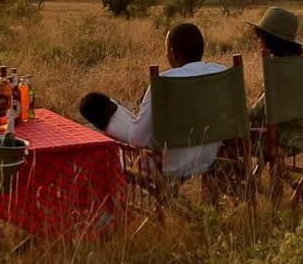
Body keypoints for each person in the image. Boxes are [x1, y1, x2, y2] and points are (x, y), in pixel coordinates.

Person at [78, 22, 227, 177]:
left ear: (172, 53)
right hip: (209, 158)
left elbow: (137, 139)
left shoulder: (163, 83)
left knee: (109, 135)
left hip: (167, 164)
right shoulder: (221, 73)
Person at [247, 6, 303, 156]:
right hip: (300, 138)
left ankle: (243, 179)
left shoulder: (280, 74)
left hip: (279, 141)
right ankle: (276, 175)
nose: (258, 42)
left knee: (225, 141)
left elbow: (256, 114)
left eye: (260, 38)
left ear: (268, 42)